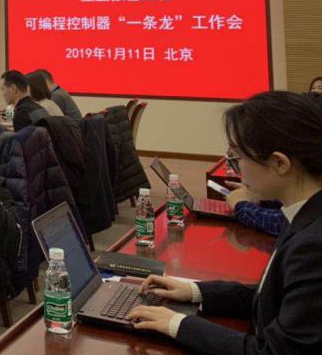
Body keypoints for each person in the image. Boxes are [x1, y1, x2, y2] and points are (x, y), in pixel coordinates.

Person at [128, 90, 322, 354]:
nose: (237, 169)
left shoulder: (313, 245)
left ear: (280, 163)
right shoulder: (303, 211)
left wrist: (178, 324)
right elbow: (271, 295)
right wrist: (195, 291)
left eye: (238, 158)